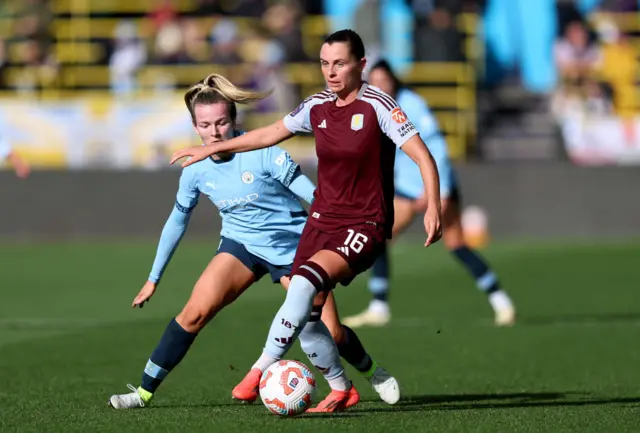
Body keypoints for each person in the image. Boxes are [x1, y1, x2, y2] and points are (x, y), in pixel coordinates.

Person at [170, 29, 442, 412]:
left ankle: (257, 371)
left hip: (364, 223)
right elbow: (269, 134)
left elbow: (423, 156)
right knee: (313, 322)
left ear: (361, 65)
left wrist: (433, 206)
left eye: (340, 64)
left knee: (301, 287)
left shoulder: (380, 106)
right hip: (321, 221)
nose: (331, 72)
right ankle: (346, 386)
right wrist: (215, 148)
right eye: (324, 63)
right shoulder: (316, 106)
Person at [109, 73, 399, 410]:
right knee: (193, 313)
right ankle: (143, 393)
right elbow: (177, 221)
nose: (214, 131)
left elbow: (315, 196)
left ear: (233, 120)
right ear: (194, 125)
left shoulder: (264, 153)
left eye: (221, 122)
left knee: (329, 332)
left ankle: (372, 371)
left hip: (296, 249)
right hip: (241, 246)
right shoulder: (195, 169)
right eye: (205, 125)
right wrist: (153, 278)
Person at [342, 60, 515, 328]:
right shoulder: (374, 109)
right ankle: (379, 307)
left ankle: (500, 301)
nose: (380, 86)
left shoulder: (411, 105)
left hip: (433, 186)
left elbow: (437, 150)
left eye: (384, 80)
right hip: (407, 189)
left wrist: (437, 192)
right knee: (377, 241)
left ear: (394, 81)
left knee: (457, 245)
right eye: (374, 81)